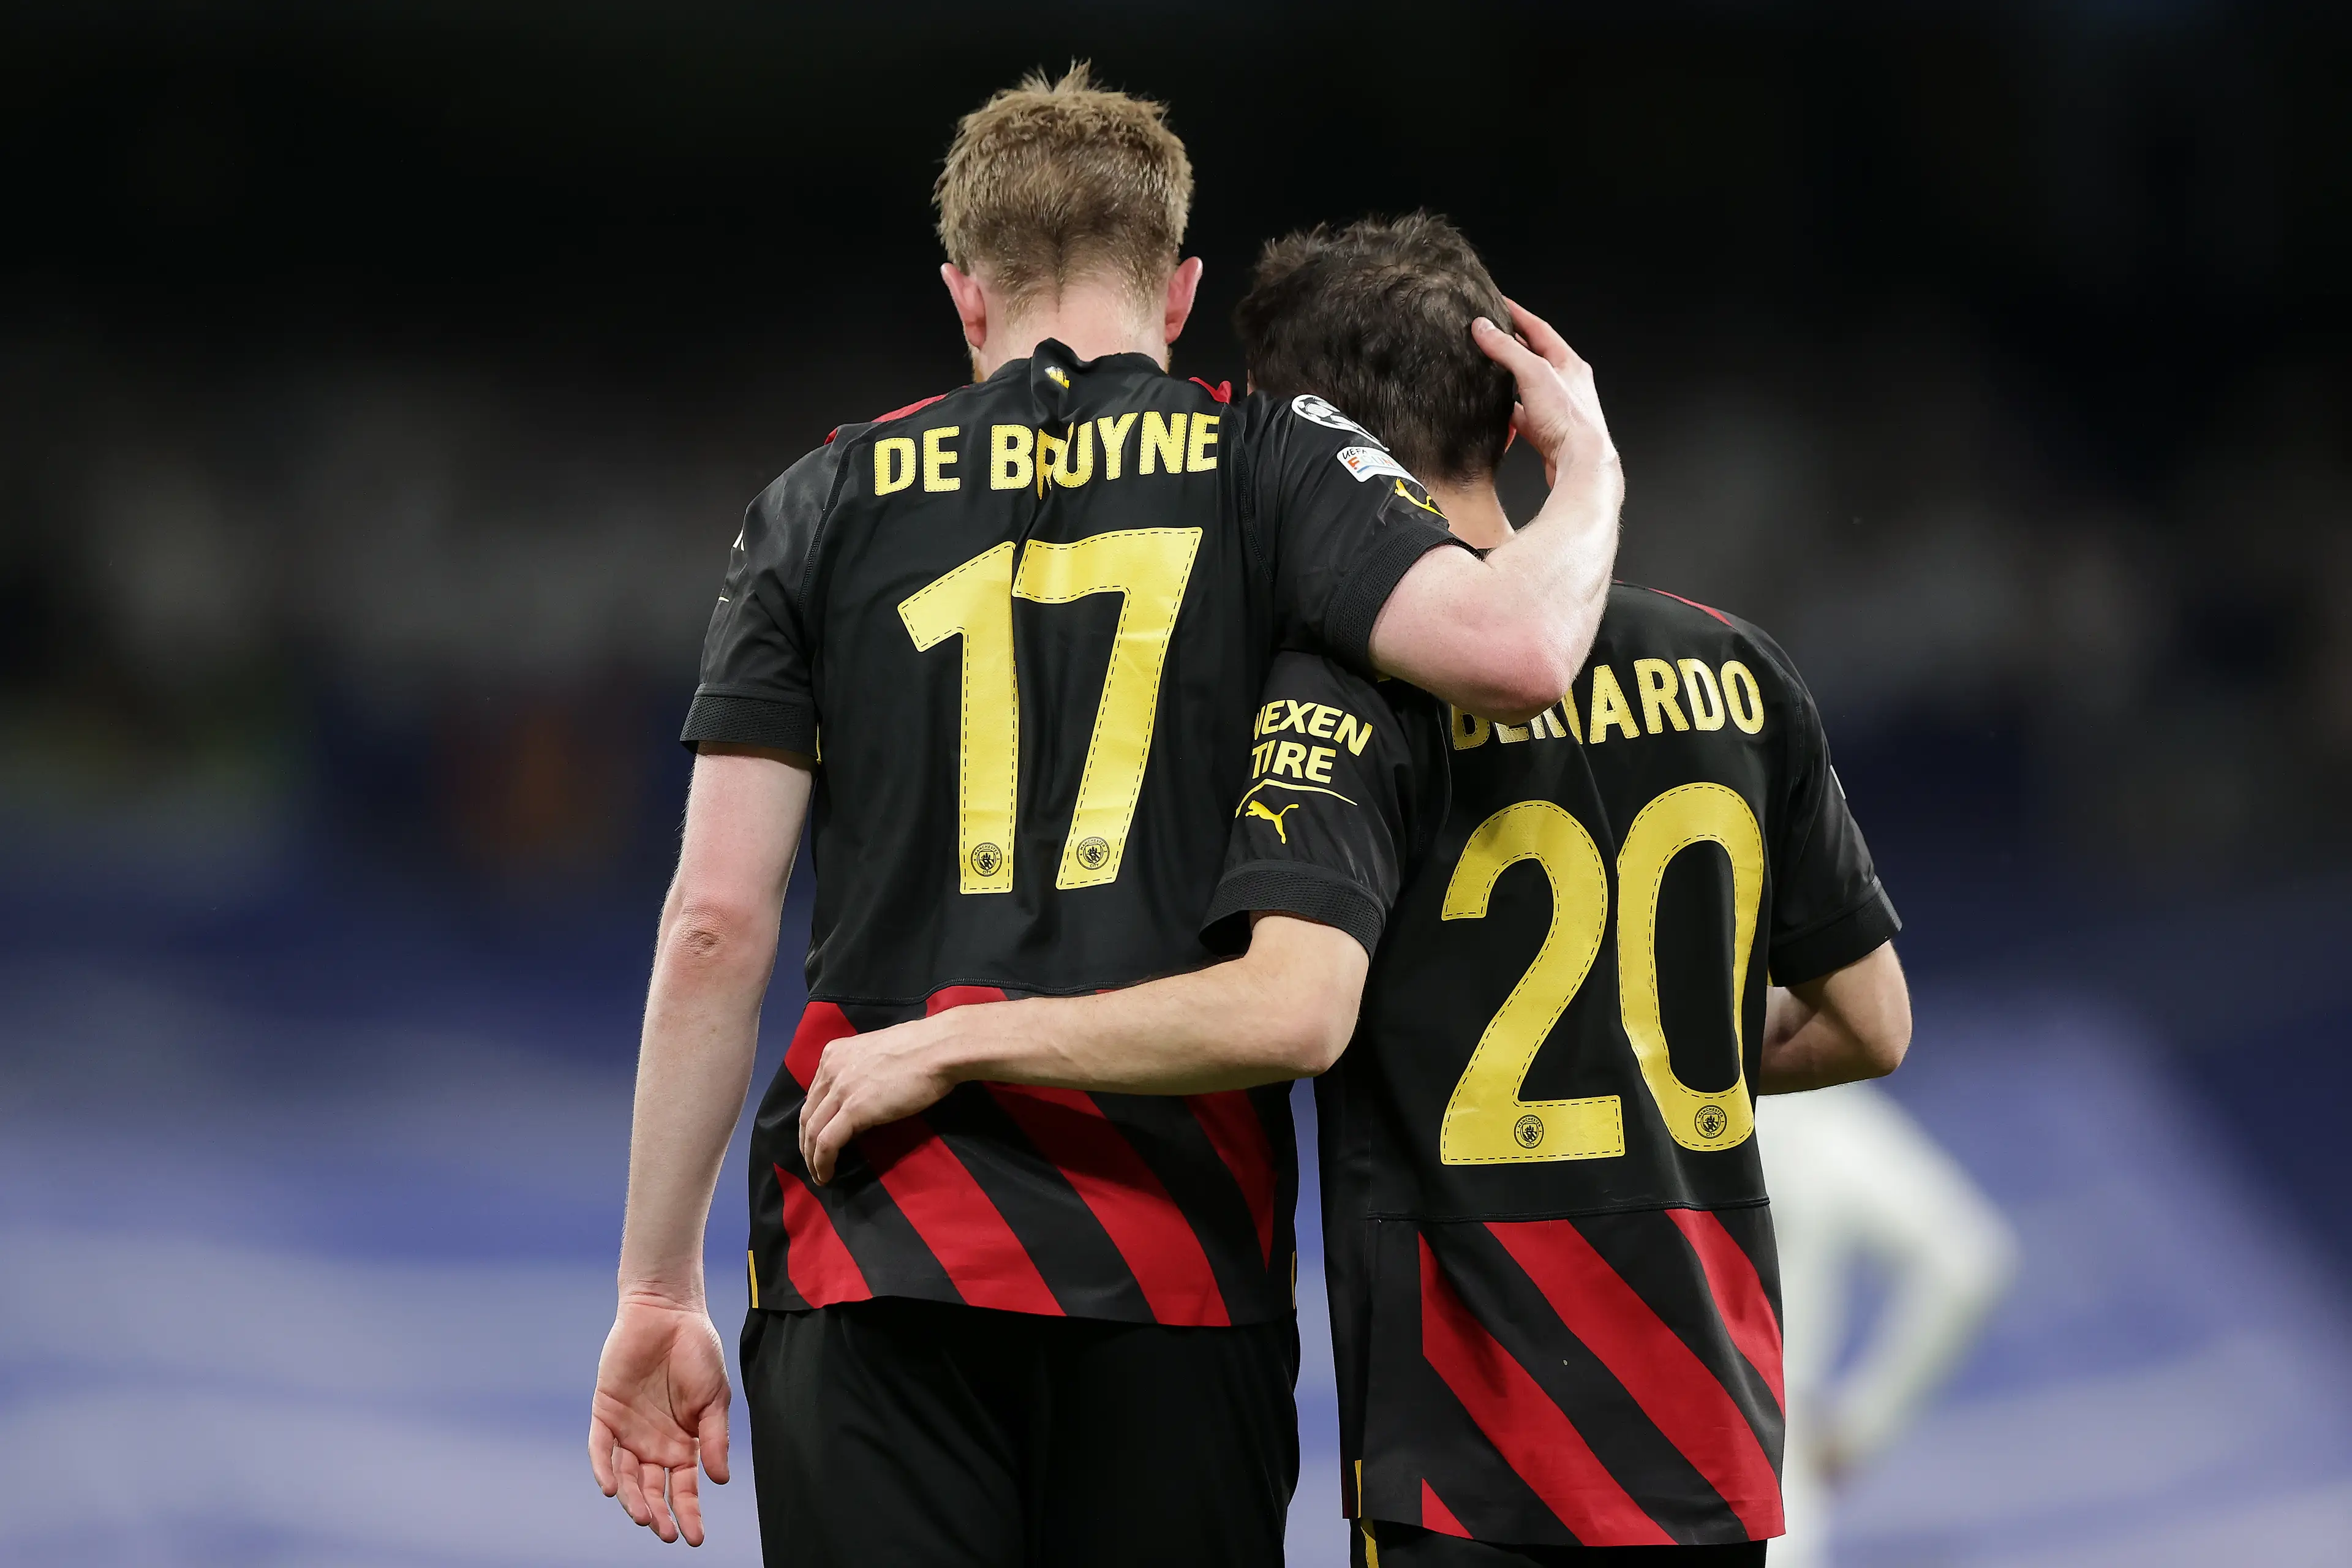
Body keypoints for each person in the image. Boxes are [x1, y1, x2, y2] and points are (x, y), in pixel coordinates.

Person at [589, 71, 1626, 1566]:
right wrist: (1589, 467)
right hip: (1172, 1261)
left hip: (876, 1239)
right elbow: (1522, 651)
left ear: (965, 294)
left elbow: (713, 920)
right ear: (1182, 290)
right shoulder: (1270, 459)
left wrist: (655, 1288)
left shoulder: (818, 500)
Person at [802, 214, 1914, 1564]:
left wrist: (962, 1037)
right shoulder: (1740, 670)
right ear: (1510, 415)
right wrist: (1625, 1057)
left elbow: (1289, 1009)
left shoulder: (1348, 693)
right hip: (1712, 1441)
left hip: (1474, 1446)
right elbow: (1871, 1023)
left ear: (1320, 451)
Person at [1754, 1083, 2016, 1568]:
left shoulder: (1618, 1096)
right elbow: (1967, 1262)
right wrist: (1860, 1428)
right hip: (1764, 1465)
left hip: (1625, 1459)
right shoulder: (1818, 1111)